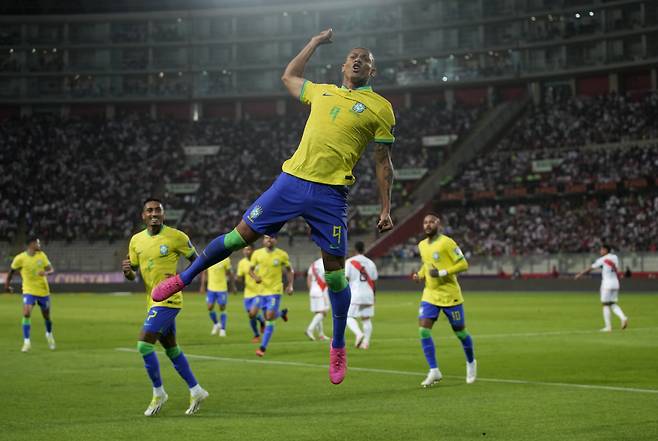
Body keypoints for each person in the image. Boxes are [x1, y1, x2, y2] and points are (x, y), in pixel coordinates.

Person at [151, 28, 395, 385]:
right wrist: (312, 43)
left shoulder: (380, 107)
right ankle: (183, 278)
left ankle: (339, 344)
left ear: (372, 72)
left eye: (365, 59)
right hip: (291, 182)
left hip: (330, 195)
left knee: (336, 274)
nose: (358, 60)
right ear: (344, 64)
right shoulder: (322, 91)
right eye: (353, 56)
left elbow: (383, 161)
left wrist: (385, 207)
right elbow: (289, 76)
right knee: (237, 238)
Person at [122, 198, 209, 417]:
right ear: (143, 215)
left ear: (163, 214)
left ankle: (159, 393)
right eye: (149, 210)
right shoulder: (136, 241)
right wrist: (128, 272)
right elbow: (133, 273)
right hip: (152, 301)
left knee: (144, 345)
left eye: (157, 210)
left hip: (169, 300)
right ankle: (196, 390)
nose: (154, 213)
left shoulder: (177, 237)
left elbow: (198, 262)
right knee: (171, 349)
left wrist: (180, 279)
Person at [412, 214, 476, 387]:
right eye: (425, 222)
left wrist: (442, 273)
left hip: (450, 295)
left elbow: (463, 264)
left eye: (431, 222)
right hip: (430, 294)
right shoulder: (422, 245)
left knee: (460, 332)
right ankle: (434, 370)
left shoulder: (447, 243)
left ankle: (471, 363)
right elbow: (427, 265)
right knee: (423, 331)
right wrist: (420, 275)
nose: (427, 225)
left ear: (438, 224)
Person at [4, 237, 55, 352]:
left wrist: (46, 273)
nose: (39, 244)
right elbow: (11, 272)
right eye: (37, 243)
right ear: (31, 244)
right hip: (29, 290)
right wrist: (7, 285)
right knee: (26, 313)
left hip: (43, 291)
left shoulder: (42, 256)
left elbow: (51, 270)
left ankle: (49, 334)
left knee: (46, 316)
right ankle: (26, 342)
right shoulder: (20, 258)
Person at [250, 235, 294, 357]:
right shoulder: (257, 254)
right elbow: (250, 270)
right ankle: (282, 314)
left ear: (276, 240)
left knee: (269, 317)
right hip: (261, 291)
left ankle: (262, 348)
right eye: (266, 238)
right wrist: (255, 277)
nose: (269, 240)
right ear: (263, 240)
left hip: (275, 291)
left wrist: (290, 285)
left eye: (272, 238)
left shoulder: (282, 254)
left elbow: (289, 270)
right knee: (253, 314)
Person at [575, 244, 628, 332]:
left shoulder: (602, 259)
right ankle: (623, 317)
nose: (600, 251)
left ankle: (608, 327)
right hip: (615, 283)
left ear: (606, 250)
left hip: (607, 283)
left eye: (601, 250)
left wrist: (580, 274)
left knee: (605, 304)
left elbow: (590, 268)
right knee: (612, 303)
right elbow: (608, 266)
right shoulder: (615, 257)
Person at [345, 241, 378, 349]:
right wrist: (374, 296)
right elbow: (373, 281)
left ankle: (358, 334)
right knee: (366, 319)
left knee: (348, 317)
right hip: (368, 294)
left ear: (354, 250)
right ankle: (366, 343)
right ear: (364, 249)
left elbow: (345, 279)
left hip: (356, 294)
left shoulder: (349, 262)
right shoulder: (371, 263)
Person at [236, 245, 266, 342]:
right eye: (244, 249)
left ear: (253, 250)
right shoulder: (242, 263)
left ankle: (256, 336)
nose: (246, 251)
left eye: (248, 249)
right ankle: (261, 323)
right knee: (251, 315)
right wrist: (238, 278)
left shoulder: (259, 261)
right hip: (247, 293)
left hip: (259, 293)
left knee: (252, 314)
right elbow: (240, 277)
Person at [200, 257, 234, 337]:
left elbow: (230, 273)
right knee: (209, 307)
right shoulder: (209, 257)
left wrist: (233, 286)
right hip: (211, 288)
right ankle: (216, 324)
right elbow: (204, 272)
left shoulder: (226, 259)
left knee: (222, 307)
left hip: (222, 288)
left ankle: (223, 329)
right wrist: (202, 286)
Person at [306, 255, 329, 341]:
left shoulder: (313, 265)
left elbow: (308, 278)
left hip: (313, 290)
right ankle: (310, 329)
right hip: (322, 291)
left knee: (318, 313)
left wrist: (311, 290)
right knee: (324, 312)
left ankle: (321, 335)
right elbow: (327, 278)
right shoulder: (327, 264)